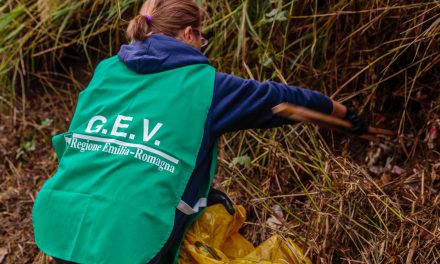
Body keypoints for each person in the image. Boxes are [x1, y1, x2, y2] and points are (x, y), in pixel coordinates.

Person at [32, 0, 367, 263]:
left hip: (61, 217)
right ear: (189, 34)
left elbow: (116, 150)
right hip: (131, 236)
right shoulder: (206, 87)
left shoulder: (106, 70)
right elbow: (284, 99)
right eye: (202, 39)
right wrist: (347, 115)